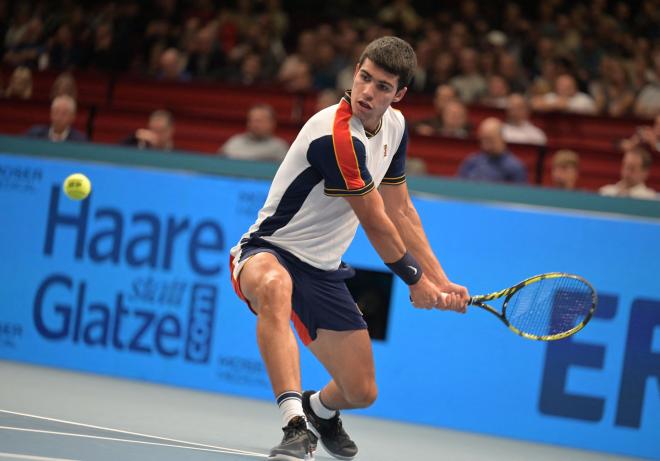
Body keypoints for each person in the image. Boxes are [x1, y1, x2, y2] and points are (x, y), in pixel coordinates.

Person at [228, 36, 468, 461]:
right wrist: (415, 280)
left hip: (322, 270)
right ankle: (294, 423)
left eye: (382, 87)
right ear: (354, 71)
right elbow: (376, 221)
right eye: (364, 78)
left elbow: (402, 211)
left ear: (400, 95)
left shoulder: (395, 128)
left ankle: (319, 410)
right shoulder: (336, 135)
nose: (368, 93)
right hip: (270, 251)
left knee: (361, 391)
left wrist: (441, 279)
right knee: (275, 287)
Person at [458, 117, 528, 183]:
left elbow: (518, 193)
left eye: (490, 139)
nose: (485, 144)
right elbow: (459, 186)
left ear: (501, 137)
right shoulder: (472, 162)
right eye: (483, 139)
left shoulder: (515, 167)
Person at [219, 104, 289, 162]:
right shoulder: (234, 141)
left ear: (272, 123)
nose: (255, 125)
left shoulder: (279, 147)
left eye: (259, 121)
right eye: (251, 120)